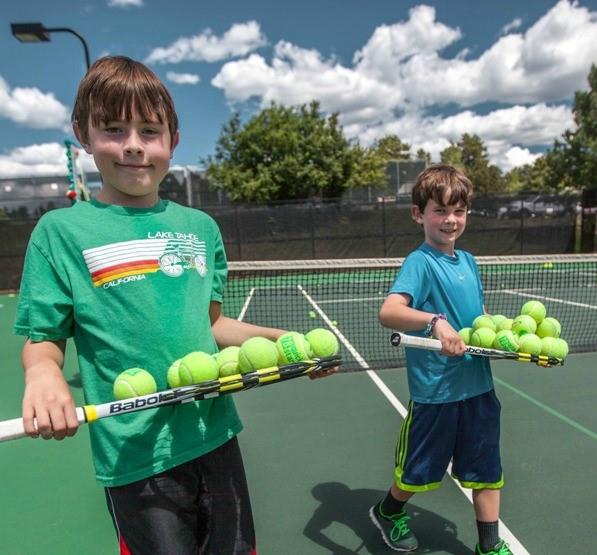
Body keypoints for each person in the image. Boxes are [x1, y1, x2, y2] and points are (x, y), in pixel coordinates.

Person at [13, 56, 333, 554]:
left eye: (150, 130)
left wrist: (286, 345)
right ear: (83, 133)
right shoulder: (60, 233)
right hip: (137, 457)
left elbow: (214, 324)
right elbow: (43, 341)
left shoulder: (201, 229)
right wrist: (43, 376)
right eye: (114, 129)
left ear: (173, 140)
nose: (134, 145)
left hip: (215, 436)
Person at [370, 164, 511, 555]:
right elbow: (389, 312)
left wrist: (509, 340)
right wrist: (435, 322)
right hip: (436, 393)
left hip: (478, 387)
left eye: (459, 211)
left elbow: (478, 318)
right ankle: (388, 510)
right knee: (418, 473)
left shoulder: (469, 261)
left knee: (487, 470)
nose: (450, 220)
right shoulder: (420, 262)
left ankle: (489, 546)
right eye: (440, 211)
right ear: (419, 214)